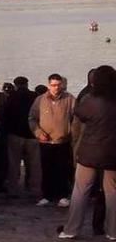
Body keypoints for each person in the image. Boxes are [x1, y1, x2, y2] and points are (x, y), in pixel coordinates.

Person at [58, 65, 116, 241]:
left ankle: (71, 229)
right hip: (113, 153)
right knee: (112, 192)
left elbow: (79, 114)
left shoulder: (91, 100)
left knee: (80, 191)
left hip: (90, 151)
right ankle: (113, 231)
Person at [29, 74, 75, 208]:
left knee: (63, 169)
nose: (56, 88)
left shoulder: (69, 99)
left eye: (58, 85)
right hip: (45, 142)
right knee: (46, 168)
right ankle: (47, 195)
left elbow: (76, 118)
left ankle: (63, 195)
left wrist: (70, 132)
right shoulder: (40, 100)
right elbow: (32, 118)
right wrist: (38, 133)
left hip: (63, 141)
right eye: (53, 85)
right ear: (49, 85)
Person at [1, 76, 42, 199]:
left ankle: (13, 189)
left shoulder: (11, 97)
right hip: (32, 134)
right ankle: (35, 190)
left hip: (15, 134)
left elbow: (5, 115)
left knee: (14, 164)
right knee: (35, 165)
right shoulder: (34, 96)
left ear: (16, 85)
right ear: (27, 84)